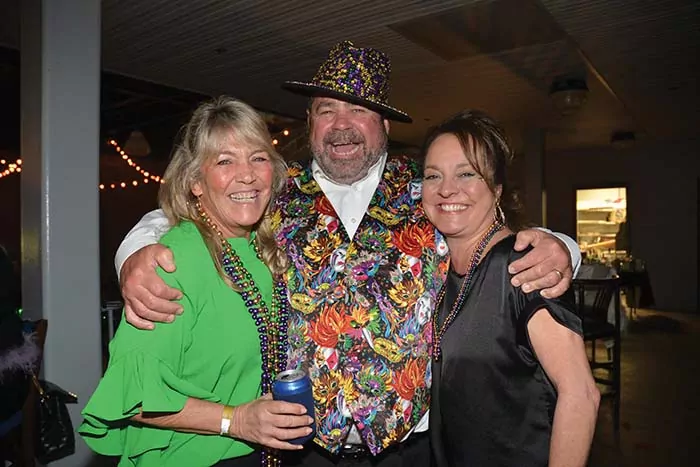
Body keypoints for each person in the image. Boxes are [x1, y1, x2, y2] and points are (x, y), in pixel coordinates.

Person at [113, 42, 581, 466]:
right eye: (327, 110)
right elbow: (190, 211)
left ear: (383, 126)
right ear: (310, 122)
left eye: (358, 110)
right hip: (304, 450)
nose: (341, 125)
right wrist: (134, 250)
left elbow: (484, 223)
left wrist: (562, 246)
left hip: (410, 451)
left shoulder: (426, 190)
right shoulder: (270, 192)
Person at [78, 97, 314, 467]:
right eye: (224, 161)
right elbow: (131, 397)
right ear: (195, 182)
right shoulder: (173, 260)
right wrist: (235, 420)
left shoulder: (264, 245)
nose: (247, 175)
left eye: (258, 157)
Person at [422, 110, 599, 467]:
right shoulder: (436, 267)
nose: (446, 189)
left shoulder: (524, 265)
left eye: (466, 173)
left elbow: (580, 394)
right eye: (432, 175)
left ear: (497, 189)